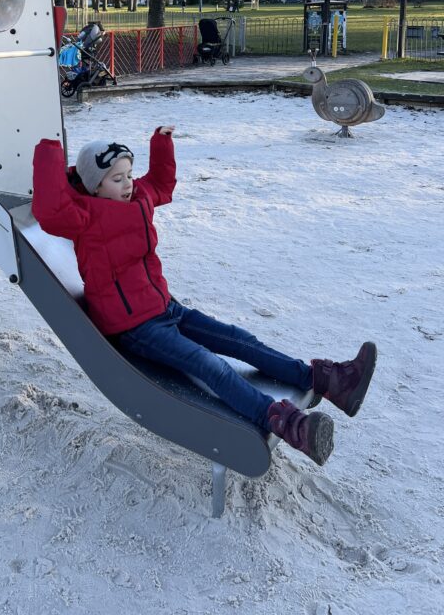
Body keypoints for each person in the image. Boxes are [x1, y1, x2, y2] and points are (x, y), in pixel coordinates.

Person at [32, 129, 377, 466]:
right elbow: (49, 210)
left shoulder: (138, 198)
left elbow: (163, 185)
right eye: (117, 179)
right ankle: (284, 422)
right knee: (210, 365)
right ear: (95, 186)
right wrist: (50, 149)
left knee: (240, 340)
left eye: (129, 174)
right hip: (135, 328)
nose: (128, 184)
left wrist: (161, 143)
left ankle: (327, 380)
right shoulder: (84, 216)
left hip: (166, 308)